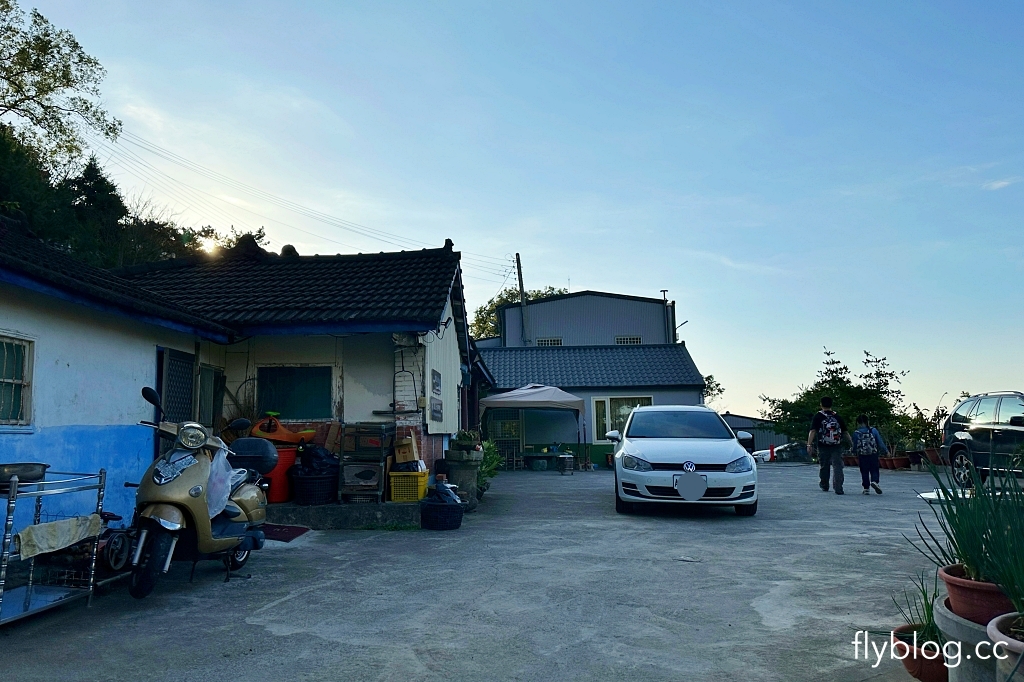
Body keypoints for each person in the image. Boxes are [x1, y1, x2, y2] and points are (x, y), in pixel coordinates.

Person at [807, 396, 852, 494]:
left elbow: (813, 431)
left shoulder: (818, 416)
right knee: (838, 466)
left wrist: (809, 444)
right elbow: (845, 432)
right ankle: (838, 487)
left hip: (823, 445)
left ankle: (824, 484)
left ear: (821, 404)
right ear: (831, 405)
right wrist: (851, 443)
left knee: (824, 465)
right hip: (836, 445)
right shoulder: (837, 417)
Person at [852, 414, 886, 495]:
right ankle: (874, 481)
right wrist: (886, 451)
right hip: (873, 454)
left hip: (862, 455)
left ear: (858, 422)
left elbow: (855, 444)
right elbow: (880, 442)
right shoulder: (873, 430)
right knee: (874, 469)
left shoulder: (856, 433)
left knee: (864, 471)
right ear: (868, 421)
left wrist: (853, 452)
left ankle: (866, 488)